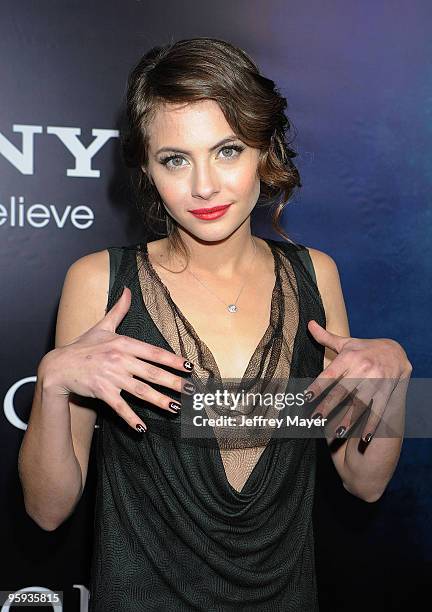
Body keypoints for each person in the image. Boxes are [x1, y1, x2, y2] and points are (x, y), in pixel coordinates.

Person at [18, 37, 412, 611]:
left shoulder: (316, 276)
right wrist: (52, 384)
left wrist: (392, 387)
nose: (203, 185)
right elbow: (47, 510)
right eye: (175, 159)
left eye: (227, 150)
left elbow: (363, 479)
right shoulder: (98, 281)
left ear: (264, 152)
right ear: (149, 171)